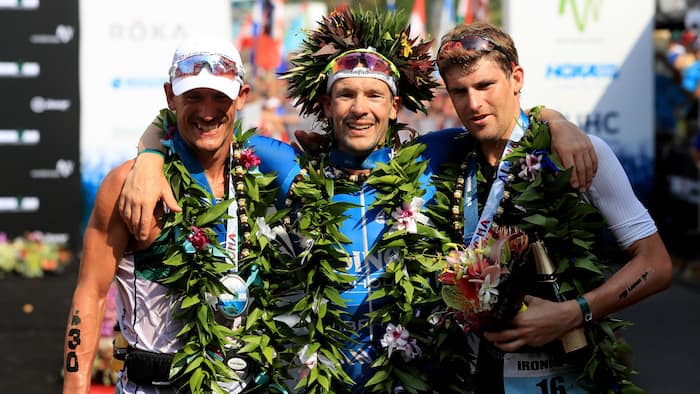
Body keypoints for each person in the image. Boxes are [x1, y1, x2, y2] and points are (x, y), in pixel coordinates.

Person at [117, 8, 599, 392]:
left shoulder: (432, 157)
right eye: (346, 94)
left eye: (374, 95)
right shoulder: (287, 164)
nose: (360, 109)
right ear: (325, 106)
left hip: (414, 377)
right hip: (320, 379)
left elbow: (502, 119)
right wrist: (150, 156)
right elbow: (199, 128)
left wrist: (555, 120)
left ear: (395, 105)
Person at [435, 21, 672, 393]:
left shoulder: (574, 152)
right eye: (459, 92)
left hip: (568, 377)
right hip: (474, 377)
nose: (473, 104)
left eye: (485, 85)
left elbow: (656, 265)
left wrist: (575, 311)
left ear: (516, 78)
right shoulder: (449, 157)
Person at [62, 38, 254, 393]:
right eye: (194, 97)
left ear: (242, 97)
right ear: (170, 97)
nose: (208, 111)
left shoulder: (259, 176)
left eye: (220, 98)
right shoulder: (126, 184)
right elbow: (91, 292)